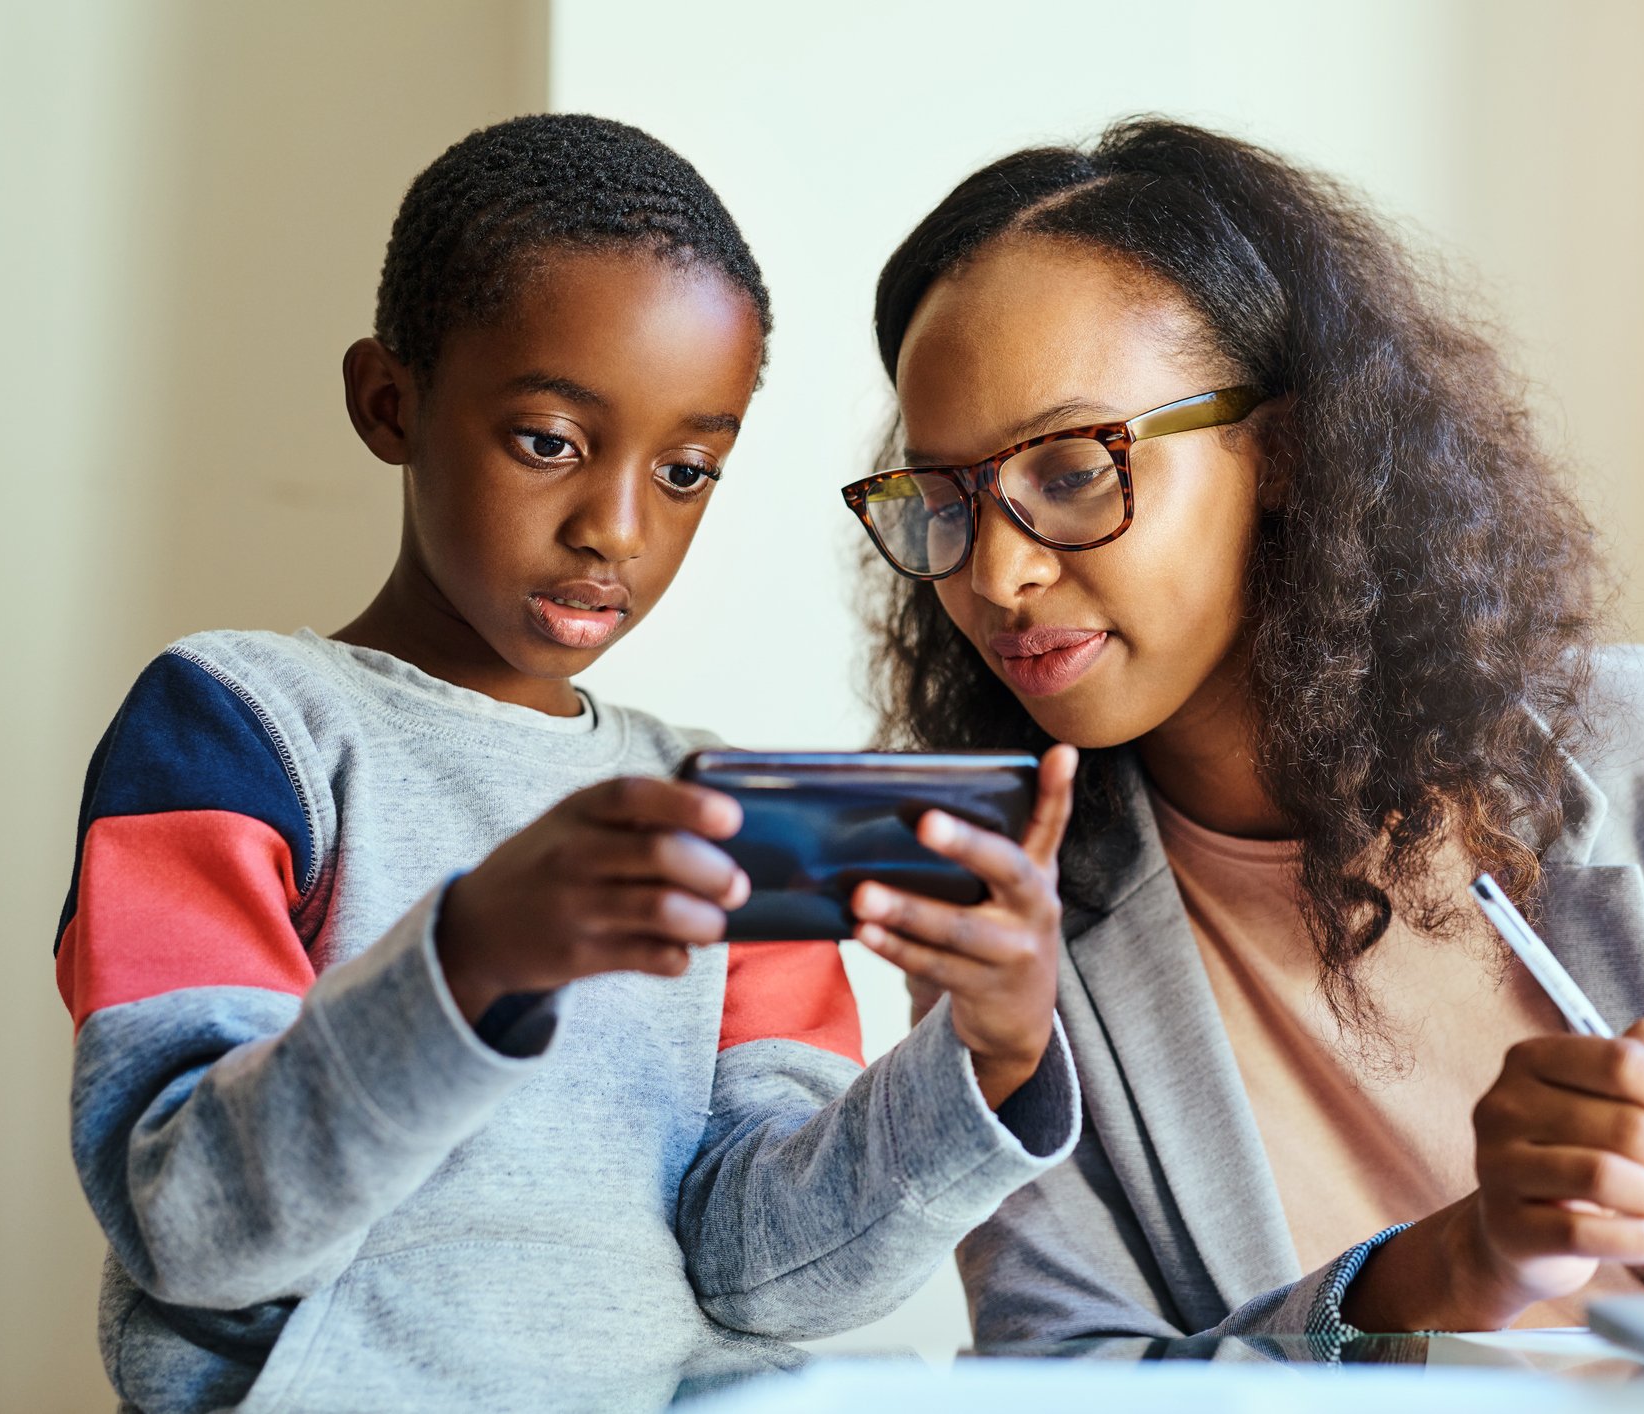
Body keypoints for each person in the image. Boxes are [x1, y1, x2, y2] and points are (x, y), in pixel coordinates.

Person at [53, 114, 1079, 1414]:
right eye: (550, 439)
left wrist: (985, 1062)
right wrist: (468, 959)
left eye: (687, 468)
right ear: (391, 400)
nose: (616, 527)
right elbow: (192, 1225)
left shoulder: (713, 803)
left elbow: (772, 1279)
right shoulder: (235, 726)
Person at [845, 119, 1644, 1353]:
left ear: (1284, 450)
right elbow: (1063, 1377)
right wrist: (1436, 1272)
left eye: (1076, 469)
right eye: (945, 498)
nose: (998, 572)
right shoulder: (1004, 909)